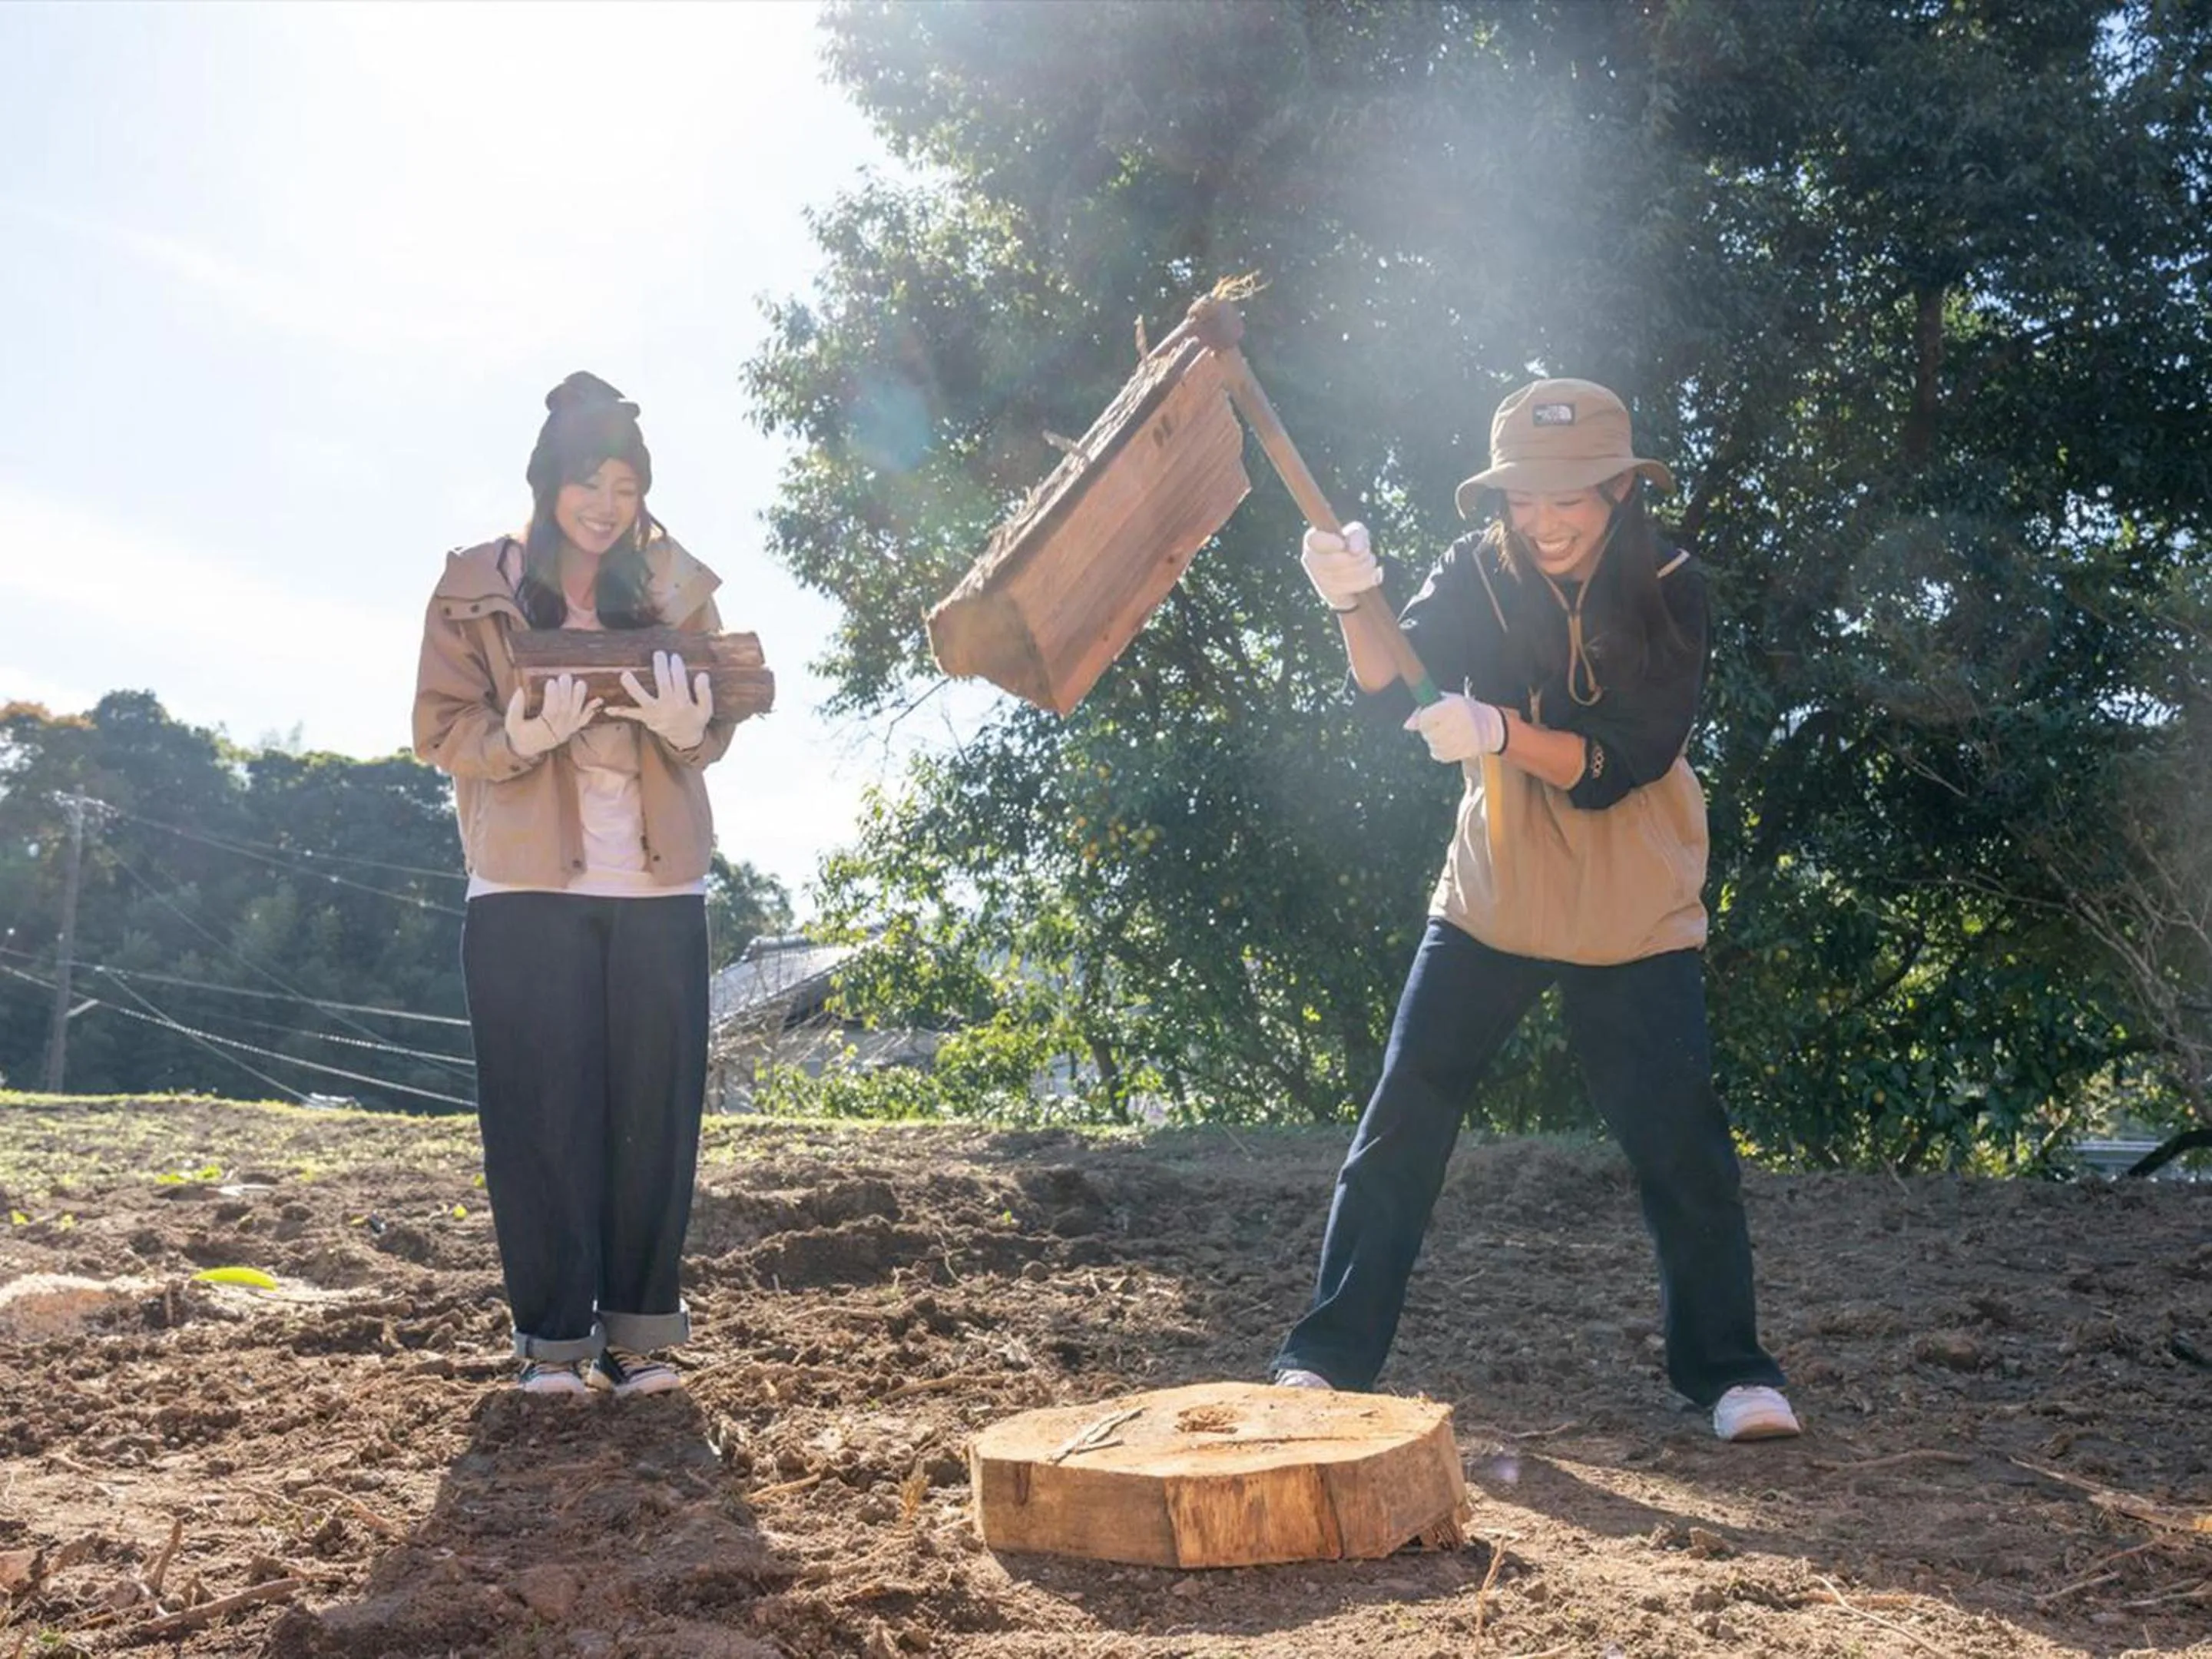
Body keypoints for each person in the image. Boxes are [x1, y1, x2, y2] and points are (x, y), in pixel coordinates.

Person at [1270, 378, 1800, 1443]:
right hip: (1496, 888)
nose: (1545, 521)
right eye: (1524, 498)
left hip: (1631, 899)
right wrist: (1349, 600)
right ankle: (1325, 1359)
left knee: (1681, 1142)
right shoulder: (1476, 567)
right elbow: (1394, 682)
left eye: (1569, 498)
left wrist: (1501, 732)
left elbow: (1625, 760)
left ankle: (1732, 1375)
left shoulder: (1672, 584)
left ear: (1618, 490)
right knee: (1403, 1116)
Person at [413, 372, 743, 1397]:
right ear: (548, 482)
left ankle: (640, 1339)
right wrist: (518, 739)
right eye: (588, 482)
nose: (606, 505)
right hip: (523, 887)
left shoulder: (675, 583)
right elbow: (439, 727)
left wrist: (694, 728)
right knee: (542, 1115)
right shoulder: (478, 585)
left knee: (653, 1115)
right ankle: (552, 1345)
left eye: (626, 485)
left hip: (659, 887)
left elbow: (720, 715)